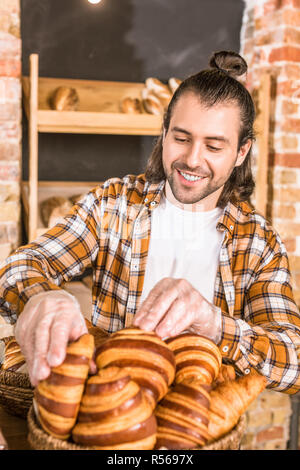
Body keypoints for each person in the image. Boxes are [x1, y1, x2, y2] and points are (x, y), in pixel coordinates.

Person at [0, 50, 300, 393]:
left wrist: (215, 324)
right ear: (164, 132)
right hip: (109, 416)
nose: (191, 159)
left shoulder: (259, 243)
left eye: (214, 147)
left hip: (199, 432)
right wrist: (40, 297)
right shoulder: (114, 205)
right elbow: (22, 265)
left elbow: (294, 362)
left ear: (241, 153)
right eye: (181, 138)